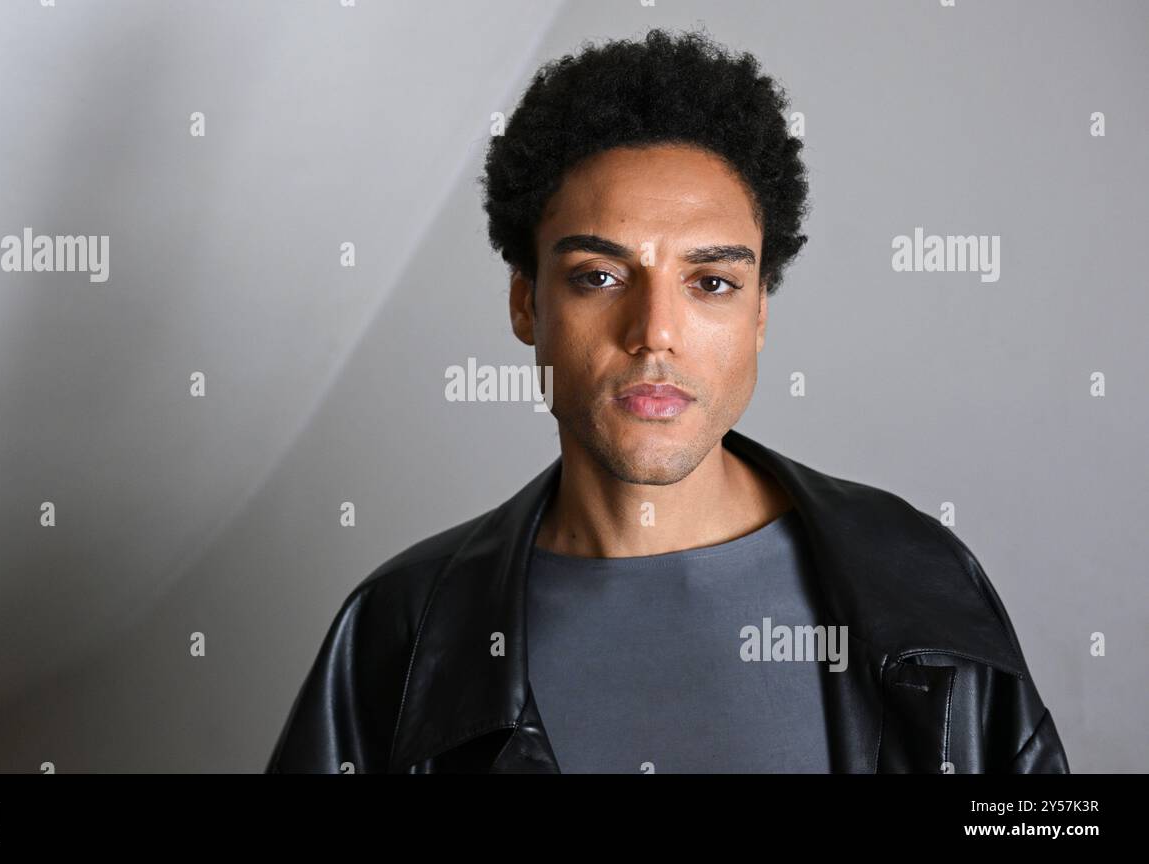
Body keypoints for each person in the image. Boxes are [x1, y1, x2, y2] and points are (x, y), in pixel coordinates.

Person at [266, 28, 1069, 773]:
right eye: (599, 277)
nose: (654, 333)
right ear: (525, 304)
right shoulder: (400, 635)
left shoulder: (919, 583)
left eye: (711, 283)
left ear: (759, 316)